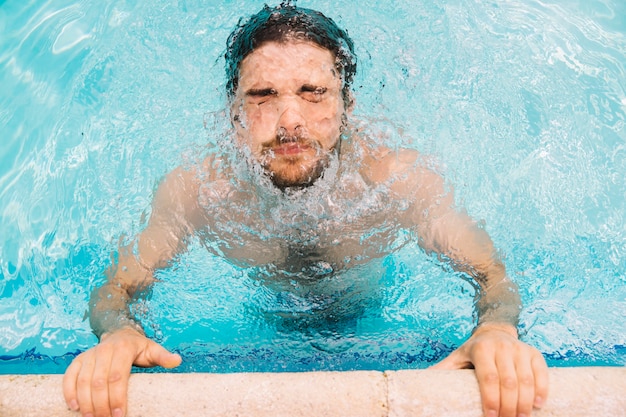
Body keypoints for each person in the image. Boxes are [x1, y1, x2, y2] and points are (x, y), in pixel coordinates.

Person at [63, 4, 549, 417]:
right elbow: (117, 286)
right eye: (263, 96)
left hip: (372, 313)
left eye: (313, 93)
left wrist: (496, 329)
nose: (290, 120)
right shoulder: (198, 189)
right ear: (233, 116)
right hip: (261, 323)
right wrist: (118, 333)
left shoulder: (398, 182)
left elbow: (491, 275)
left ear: (347, 106)